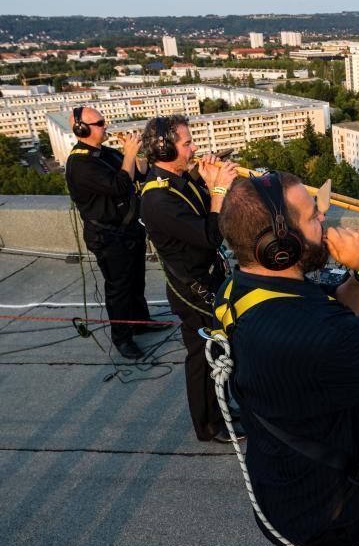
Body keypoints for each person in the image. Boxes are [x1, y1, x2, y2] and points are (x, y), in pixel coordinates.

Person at [214, 171, 359, 546]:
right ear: (280, 244)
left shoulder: (244, 287)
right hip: (327, 504)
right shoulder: (314, 336)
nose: (326, 222)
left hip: (285, 478)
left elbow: (337, 312)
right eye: (314, 217)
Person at [138, 115, 243, 443]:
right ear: (165, 148)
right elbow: (210, 235)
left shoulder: (179, 179)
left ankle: (221, 407)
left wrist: (208, 176)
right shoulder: (157, 199)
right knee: (204, 357)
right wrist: (220, 189)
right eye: (187, 143)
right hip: (193, 290)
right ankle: (209, 425)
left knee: (219, 353)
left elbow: (202, 204)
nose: (194, 147)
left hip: (208, 279)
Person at [65, 106, 168, 359]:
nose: (105, 125)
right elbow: (120, 186)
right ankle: (122, 338)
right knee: (119, 288)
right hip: (107, 236)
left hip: (128, 229)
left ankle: (141, 323)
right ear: (82, 129)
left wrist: (140, 153)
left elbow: (138, 174)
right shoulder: (80, 164)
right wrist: (130, 155)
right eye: (100, 123)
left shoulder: (105, 153)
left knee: (135, 281)